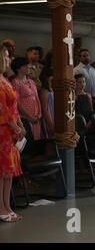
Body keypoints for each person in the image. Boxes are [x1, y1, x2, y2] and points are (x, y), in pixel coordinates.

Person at [0, 45, 25, 223]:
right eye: (7, 57)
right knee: (2, 171)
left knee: (8, 173)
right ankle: (1, 208)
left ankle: (7, 205)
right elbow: (2, 109)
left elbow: (13, 107)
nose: (9, 59)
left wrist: (20, 124)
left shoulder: (5, 79)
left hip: (11, 130)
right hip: (3, 130)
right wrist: (14, 126)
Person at [11, 57, 42, 140]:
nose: (28, 67)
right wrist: (29, 117)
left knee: (38, 142)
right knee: (29, 143)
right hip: (25, 117)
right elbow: (17, 103)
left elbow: (37, 98)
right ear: (18, 69)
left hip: (36, 117)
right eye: (24, 66)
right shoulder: (15, 82)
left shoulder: (31, 81)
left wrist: (39, 113)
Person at [39, 68, 55, 139]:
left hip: (54, 115)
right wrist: (50, 124)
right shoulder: (44, 91)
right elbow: (45, 110)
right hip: (48, 118)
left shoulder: (52, 89)